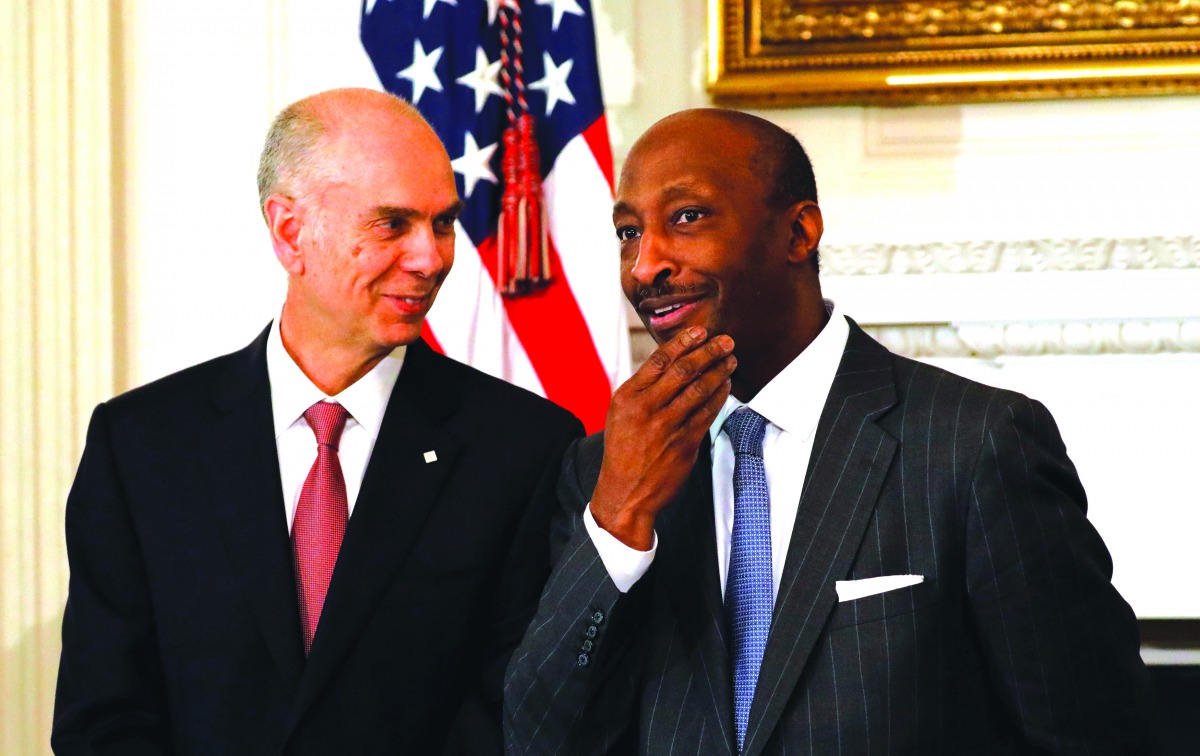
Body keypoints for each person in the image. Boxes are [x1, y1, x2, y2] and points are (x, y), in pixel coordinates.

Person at [504, 109, 1157, 755]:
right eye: (628, 232)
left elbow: (1096, 736)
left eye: (687, 217)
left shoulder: (975, 443)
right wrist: (619, 519)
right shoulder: (603, 472)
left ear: (799, 232)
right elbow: (541, 742)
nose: (644, 266)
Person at [52, 88, 582, 755]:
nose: (431, 258)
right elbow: (102, 721)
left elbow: (516, 711)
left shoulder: (525, 449)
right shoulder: (140, 446)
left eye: (443, 223)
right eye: (392, 224)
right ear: (289, 232)